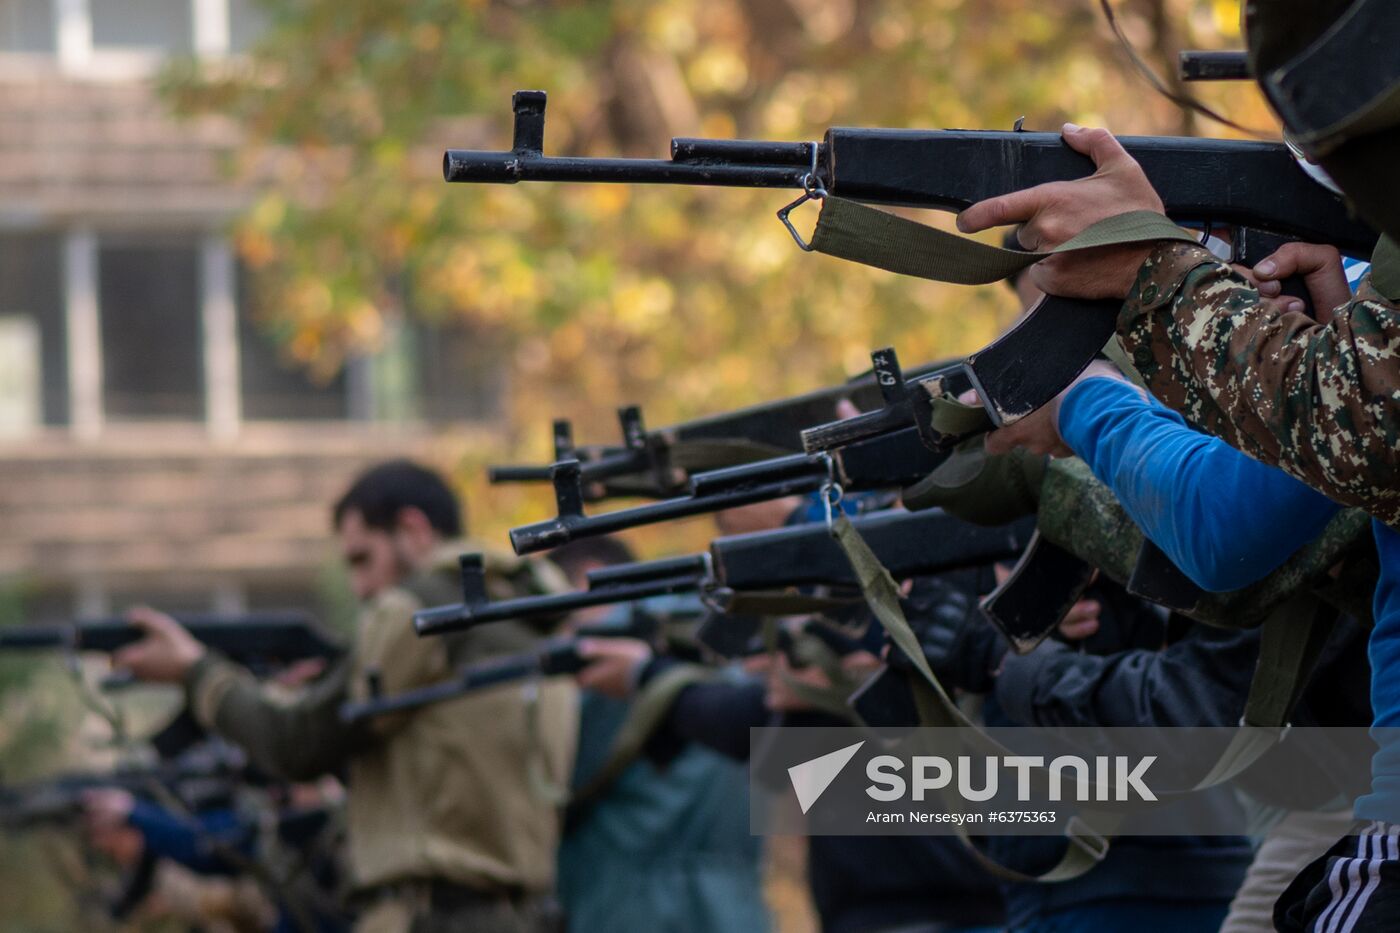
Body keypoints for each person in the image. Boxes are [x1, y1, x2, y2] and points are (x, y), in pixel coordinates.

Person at [109, 460, 577, 933]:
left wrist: (195, 671)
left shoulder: (422, 609)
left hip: (433, 916)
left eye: (362, 559)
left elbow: (295, 744)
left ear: (413, 529)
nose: (360, 588)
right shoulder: (523, 610)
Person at [546, 536, 769, 933]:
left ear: (585, 580)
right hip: (736, 910)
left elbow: (555, 781)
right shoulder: (734, 672)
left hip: (626, 909)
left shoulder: (613, 679)